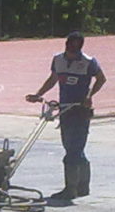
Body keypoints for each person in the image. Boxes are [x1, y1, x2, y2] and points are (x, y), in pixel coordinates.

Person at [26, 31, 106, 202]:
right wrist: (38, 94)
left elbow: (101, 79)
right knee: (72, 148)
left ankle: (70, 189)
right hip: (64, 110)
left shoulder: (88, 62)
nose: (72, 51)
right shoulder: (58, 60)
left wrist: (89, 95)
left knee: (73, 151)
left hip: (80, 110)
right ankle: (83, 185)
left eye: (76, 49)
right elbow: (53, 79)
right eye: (70, 47)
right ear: (66, 45)